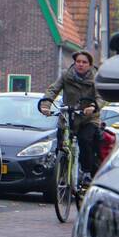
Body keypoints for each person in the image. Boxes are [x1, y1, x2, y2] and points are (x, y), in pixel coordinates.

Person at [39, 50, 105, 184]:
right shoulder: (65, 76)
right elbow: (53, 90)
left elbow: (100, 96)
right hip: (69, 116)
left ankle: (86, 172)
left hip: (88, 117)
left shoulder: (96, 78)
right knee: (61, 143)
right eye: (78, 62)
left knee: (85, 140)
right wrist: (46, 104)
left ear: (90, 65)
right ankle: (61, 170)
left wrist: (93, 107)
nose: (80, 64)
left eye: (84, 62)